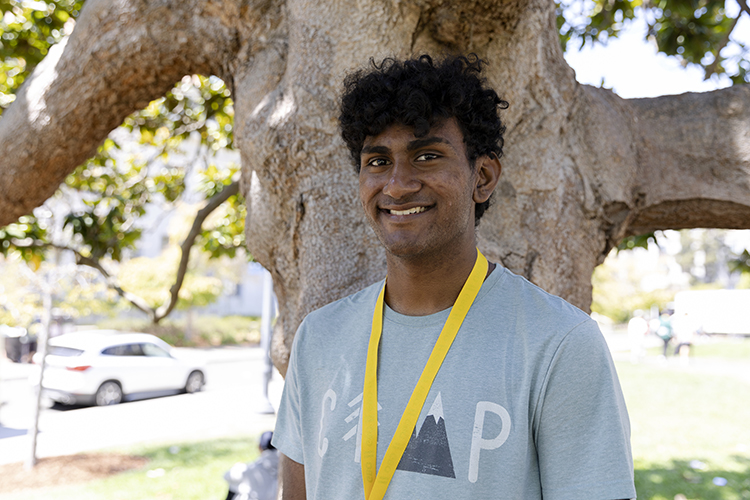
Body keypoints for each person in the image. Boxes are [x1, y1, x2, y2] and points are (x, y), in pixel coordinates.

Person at [272, 54, 636, 500]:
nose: (398, 184)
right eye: (378, 161)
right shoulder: (318, 338)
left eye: (427, 156)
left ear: (481, 177)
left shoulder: (559, 343)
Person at [223, 431, 279, 500]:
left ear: (259, 447)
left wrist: (236, 467)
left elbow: (227, 476)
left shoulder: (251, 469)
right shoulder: (288, 469)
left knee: (235, 487)